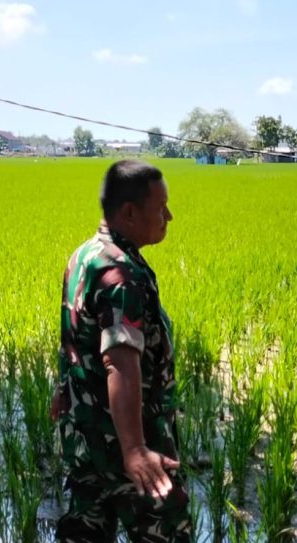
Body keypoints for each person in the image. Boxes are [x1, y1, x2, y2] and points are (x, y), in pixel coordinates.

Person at [50, 159, 190, 542]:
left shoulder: (85, 256)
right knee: (166, 530)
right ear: (129, 212)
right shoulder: (122, 275)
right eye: (160, 208)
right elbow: (119, 363)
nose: (169, 216)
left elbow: (77, 336)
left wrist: (64, 389)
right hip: (123, 443)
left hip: (83, 438)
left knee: (86, 531)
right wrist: (135, 450)